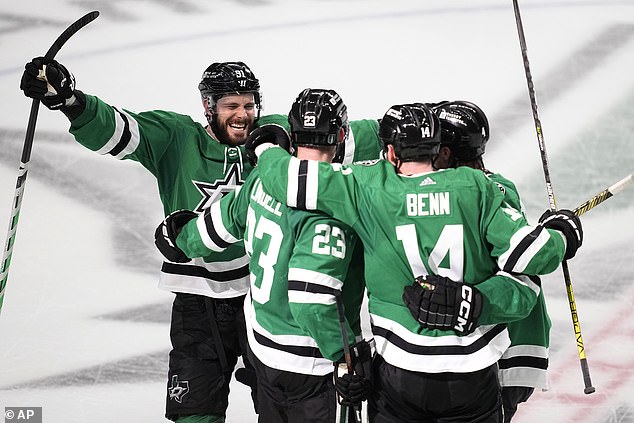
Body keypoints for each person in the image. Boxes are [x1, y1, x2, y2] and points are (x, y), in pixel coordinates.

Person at [247, 102, 583, 422]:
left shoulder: (369, 187)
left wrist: (266, 147)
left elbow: (294, 178)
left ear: (392, 152)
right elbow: (531, 260)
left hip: (400, 372)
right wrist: (561, 235)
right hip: (480, 370)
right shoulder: (483, 188)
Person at [20, 58, 264, 423]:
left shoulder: (270, 144)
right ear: (208, 106)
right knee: (195, 414)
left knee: (287, 410)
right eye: (231, 105)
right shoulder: (178, 136)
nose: (242, 115)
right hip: (198, 305)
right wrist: (72, 101)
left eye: (249, 104)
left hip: (264, 301)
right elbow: (120, 128)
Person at [155, 88, 374, 422]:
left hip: (263, 350)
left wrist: (181, 237)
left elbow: (218, 226)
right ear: (342, 135)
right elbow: (311, 300)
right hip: (312, 361)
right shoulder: (337, 200)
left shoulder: (261, 178)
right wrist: (345, 357)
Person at [432, 100, 551, 422]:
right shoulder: (494, 187)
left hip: (501, 356)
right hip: (506, 350)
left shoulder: (479, 196)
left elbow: (524, 268)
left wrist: (554, 240)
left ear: (444, 152)